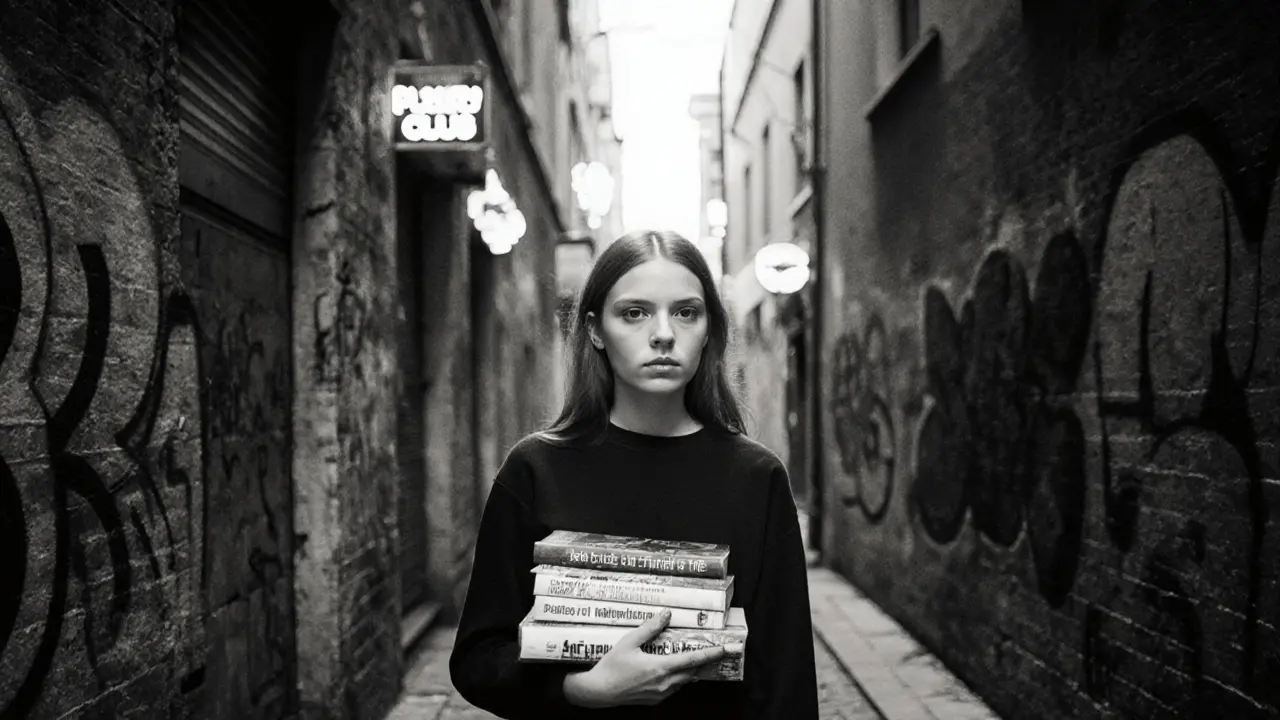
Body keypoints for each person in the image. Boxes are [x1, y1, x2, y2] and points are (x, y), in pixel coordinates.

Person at [448, 230, 819, 718]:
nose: (663, 333)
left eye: (686, 312)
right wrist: (581, 689)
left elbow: (787, 679)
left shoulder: (758, 477)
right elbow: (477, 658)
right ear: (595, 330)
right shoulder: (533, 470)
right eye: (634, 312)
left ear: (710, 330)